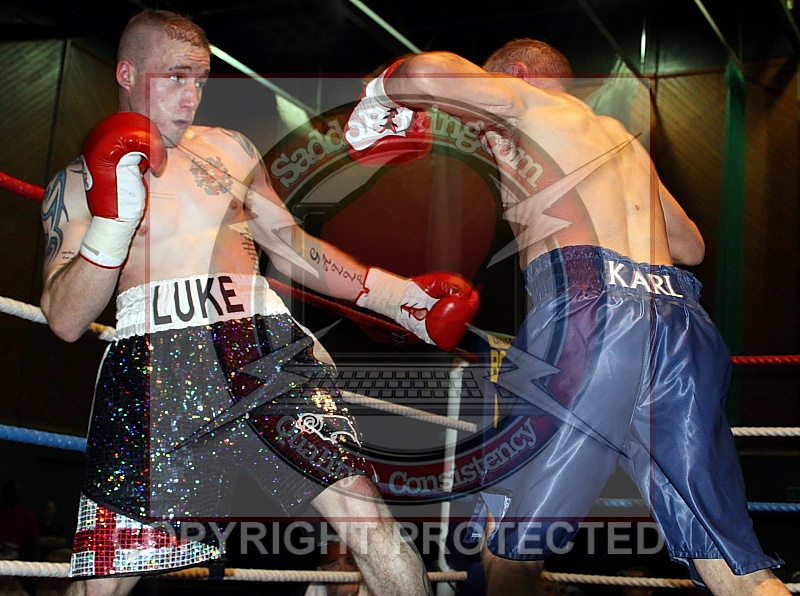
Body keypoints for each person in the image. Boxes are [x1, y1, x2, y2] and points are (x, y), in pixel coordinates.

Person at [40, 9, 480, 596]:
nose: (191, 97)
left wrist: (399, 299)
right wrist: (112, 224)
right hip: (156, 362)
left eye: (201, 79)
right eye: (176, 77)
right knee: (107, 582)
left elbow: (291, 247)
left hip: (260, 343)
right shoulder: (74, 184)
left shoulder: (229, 149)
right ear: (127, 73)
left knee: (369, 524)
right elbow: (66, 319)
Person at [344, 40, 790, 595]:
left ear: (519, 75)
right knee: (731, 562)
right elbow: (690, 246)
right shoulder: (621, 141)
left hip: (588, 315)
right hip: (680, 322)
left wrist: (379, 94)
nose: (476, 123)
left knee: (507, 541)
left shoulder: (527, 102)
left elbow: (431, 70)